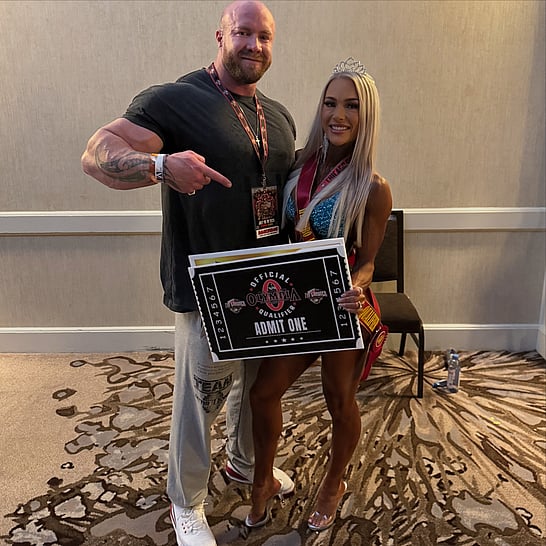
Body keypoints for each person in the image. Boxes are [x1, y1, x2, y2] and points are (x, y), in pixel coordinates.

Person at [81, 2, 296, 545]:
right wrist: (160, 166)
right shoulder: (174, 99)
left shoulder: (278, 116)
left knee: (255, 387)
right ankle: (187, 502)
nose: (254, 45)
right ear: (220, 36)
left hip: (265, 282)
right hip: (207, 285)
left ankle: (246, 465)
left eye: (264, 36)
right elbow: (97, 153)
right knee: (201, 398)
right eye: (243, 33)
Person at [245, 58, 392, 531]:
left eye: (352, 106)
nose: (338, 115)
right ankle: (262, 480)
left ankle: (334, 481)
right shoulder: (297, 163)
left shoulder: (373, 187)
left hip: (341, 306)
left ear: (366, 116)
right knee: (263, 393)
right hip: (297, 301)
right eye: (331, 103)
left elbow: (368, 262)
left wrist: (358, 285)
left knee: (338, 399)